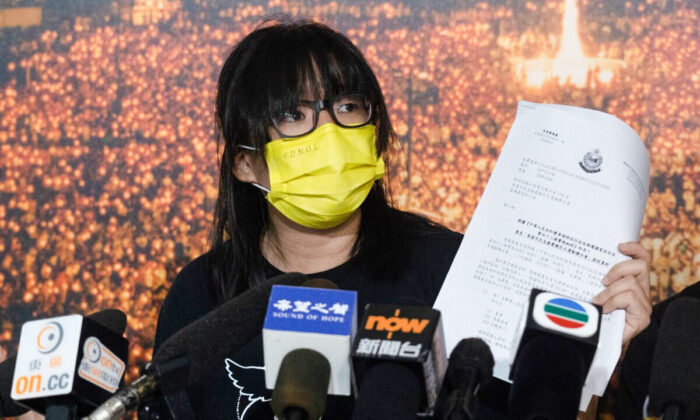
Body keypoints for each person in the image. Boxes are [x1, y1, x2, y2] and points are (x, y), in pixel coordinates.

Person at [152, 19, 652, 419]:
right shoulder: (202, 298)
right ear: (243, 161)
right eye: (293, 116)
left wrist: (591, 352)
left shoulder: (453, 269)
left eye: (348, 106)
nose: (328, 132)